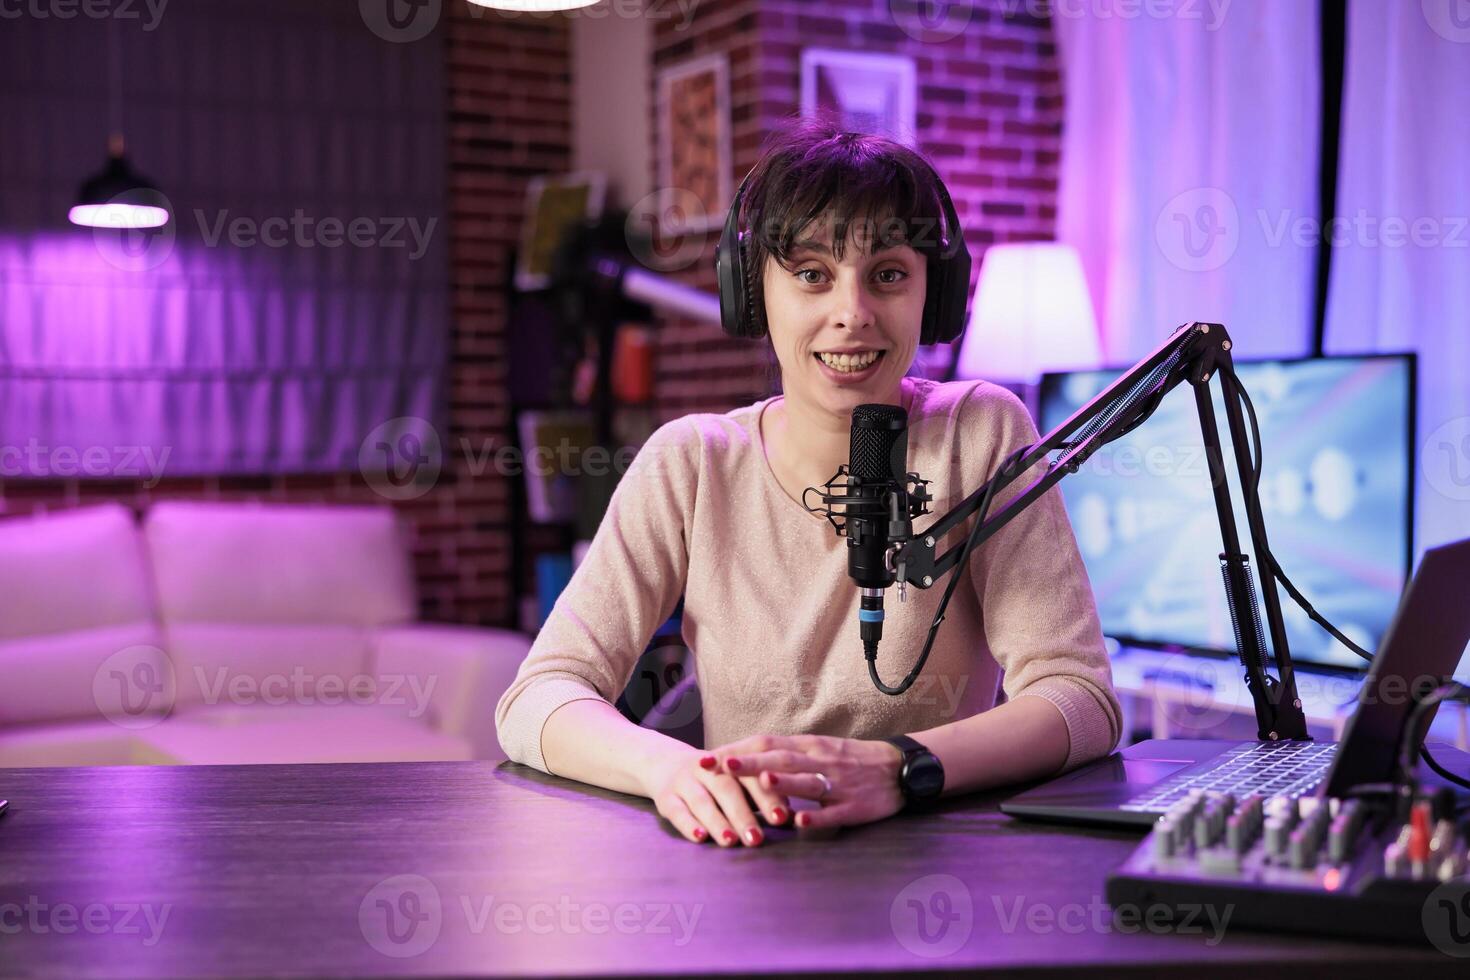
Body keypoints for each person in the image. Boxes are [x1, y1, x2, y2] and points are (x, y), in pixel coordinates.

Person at [495, 116, 1121, 848]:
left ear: (934, 295)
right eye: (811, 275)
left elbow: (1080, 702)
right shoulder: (692, 463)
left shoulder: (978, 434)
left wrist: (898, 768)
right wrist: (672, 770)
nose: (851, 314)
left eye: (888, 274)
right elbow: (537, 698)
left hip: (943, 879)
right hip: (744, 861)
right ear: (755, 293)